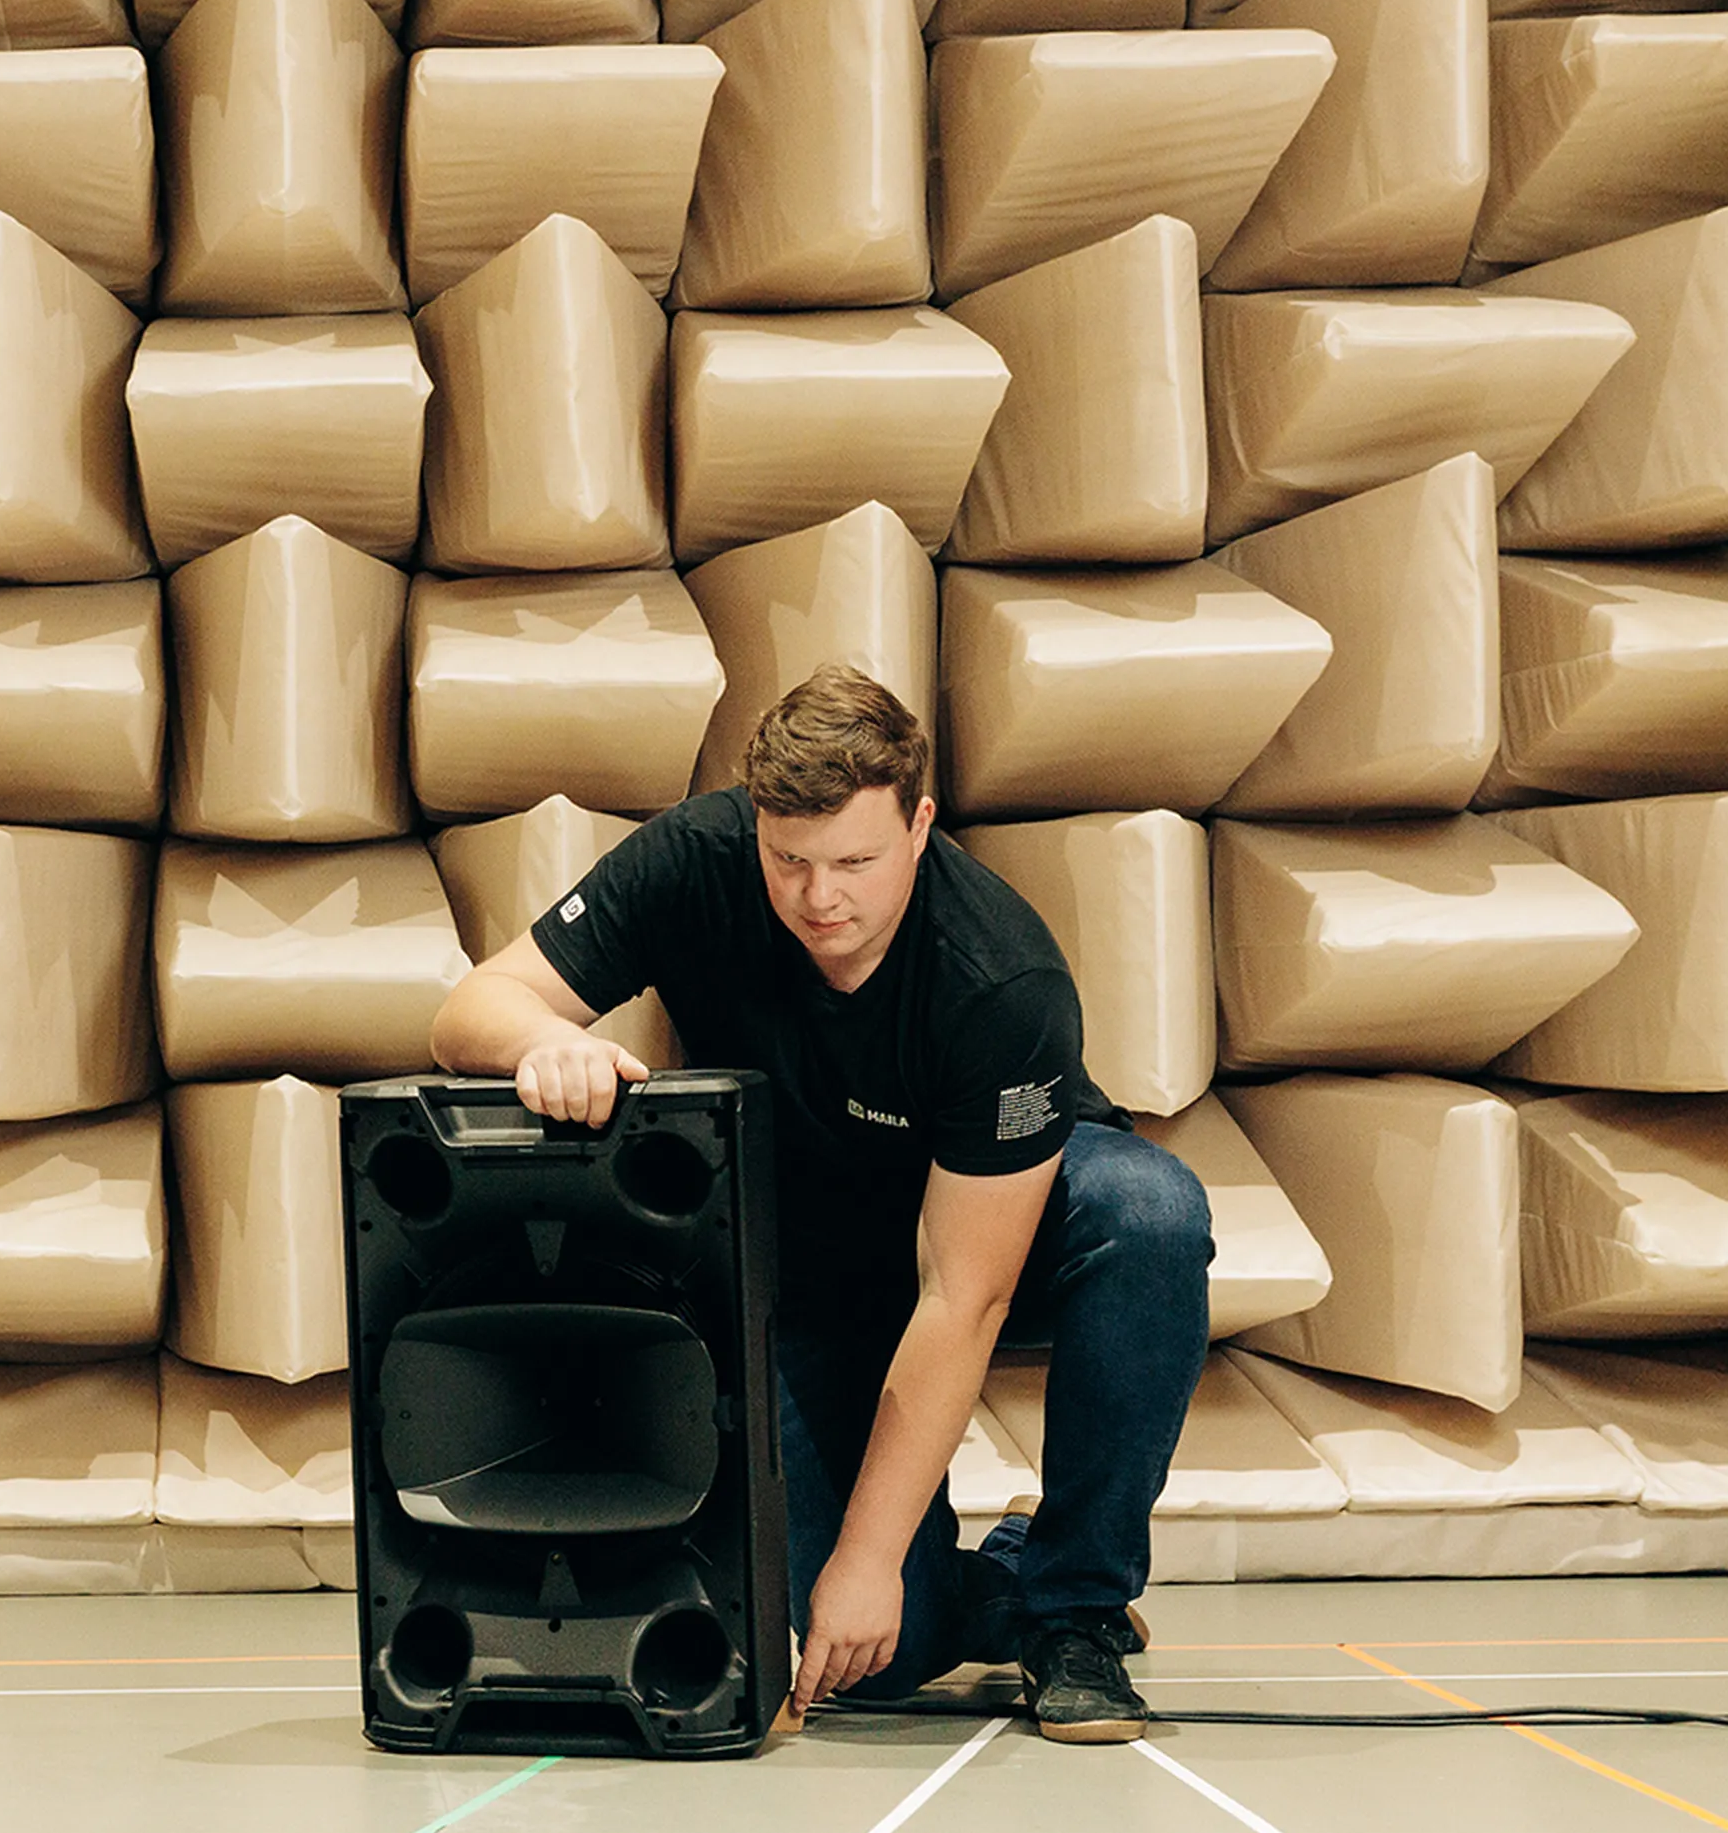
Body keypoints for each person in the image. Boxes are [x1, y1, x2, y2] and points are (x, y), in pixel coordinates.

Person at [427, 665, 1213, 1743]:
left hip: (988, 1233)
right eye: (788, 860)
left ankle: (1075, 1607)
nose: (818, 897)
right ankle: (999, 1587)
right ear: (755, 822)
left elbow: (964, 1298)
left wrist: (865, 1556)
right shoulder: (695, 859)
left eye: (855, 860)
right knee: (882, 1660)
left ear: (921, 824)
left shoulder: (999, 979)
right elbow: (472, 1006)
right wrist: (549, 1042)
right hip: (811, 1275)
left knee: (1152, 1214)